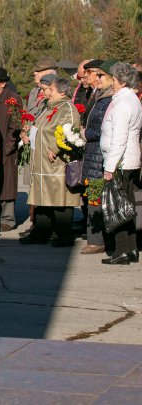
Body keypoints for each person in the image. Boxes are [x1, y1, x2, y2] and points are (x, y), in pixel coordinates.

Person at [21, 77, 81, 246]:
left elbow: (70, 133)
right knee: (42, 199)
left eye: (50, 90)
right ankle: (40, 233)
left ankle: (64, 235)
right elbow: (40, 128)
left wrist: (55, 149)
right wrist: (29, 136)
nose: (46, 93)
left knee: (59, 199)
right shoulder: (49, 108)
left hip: (56, 162)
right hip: (41, 162)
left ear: (61, 91)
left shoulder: (67, 108)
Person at [99, 61, 142, 265]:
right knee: (127, 205)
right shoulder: (128, 99)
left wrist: (110, 167)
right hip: (127, 160)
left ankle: (122, 250)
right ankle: (131, 249)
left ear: (123, 81)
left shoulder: (124, 103)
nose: (112, 83)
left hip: (121, 161)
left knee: (118, 207)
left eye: (114, 79)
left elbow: (120, 138)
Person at [80, 60, 113, 255]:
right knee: (93, 196)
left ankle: (98, 239)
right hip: (93, 154)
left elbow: (102, 129)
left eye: (101, 76)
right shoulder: (100, 97)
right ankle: (95, 238)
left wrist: (85, 134)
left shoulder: (109, 99)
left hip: (100, 154)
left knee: (98, 197)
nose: (97, 79)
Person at [0, 67, 23, 232]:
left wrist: (8, 145)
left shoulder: (12, 98)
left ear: (3, 84)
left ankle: (8, 218)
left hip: (6, 148)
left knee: (8, 182)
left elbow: (16, 124)